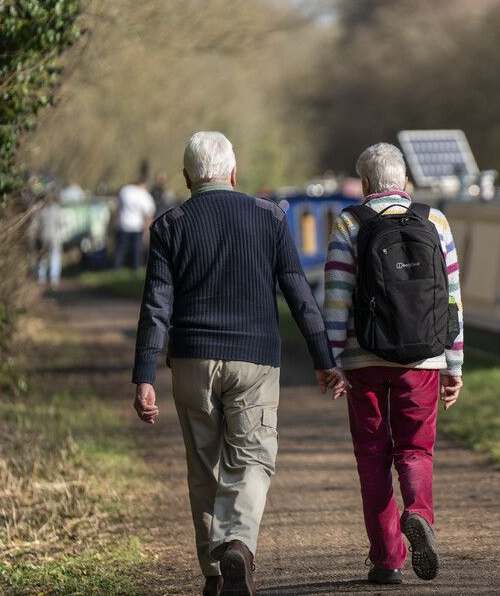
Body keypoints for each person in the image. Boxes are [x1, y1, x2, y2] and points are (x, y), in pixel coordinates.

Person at [131, 131, 348, 596]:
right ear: (234, 172)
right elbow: (299, 294)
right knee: (252, 458)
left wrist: (144, 375)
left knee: (203, 466)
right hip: (255, 360)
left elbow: (156, 307)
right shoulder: (269, 218)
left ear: (188, 177)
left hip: (191, 359)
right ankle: (239, 546)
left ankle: (214, 574)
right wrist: (323, 358)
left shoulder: (170, 225)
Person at [323, 142, 464, 585]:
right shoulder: (433, 219)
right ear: (404, 181)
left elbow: (336, 300)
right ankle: (419, 513)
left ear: (365, 184)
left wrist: (332, 360)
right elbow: (452, 299)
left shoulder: (349, 222)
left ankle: (388, 560)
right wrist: (454, 364)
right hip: (422, 359)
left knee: (372, 457)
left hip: (364, 357)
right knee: (415, 450)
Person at [114, 174, 155, 269]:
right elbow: (149, 215)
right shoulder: (144, 195)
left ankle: (116, 267)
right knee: (137, 249)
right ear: (144, 185)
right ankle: (135, 268)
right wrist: (147, 231)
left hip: (123, 224)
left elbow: (117, 206)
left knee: (120, 248)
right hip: (137, 226)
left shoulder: (125, 190)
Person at [35, 193, 64, 288]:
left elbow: (35, 225)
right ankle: (54, 279)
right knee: (55, 257)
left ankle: (41, 278)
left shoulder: (40, 210)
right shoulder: (56, 209)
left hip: (42, 237)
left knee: (42, 257)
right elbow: (61, 223)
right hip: (54, 238)